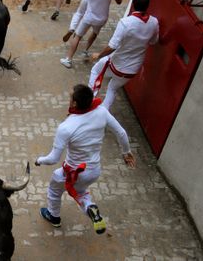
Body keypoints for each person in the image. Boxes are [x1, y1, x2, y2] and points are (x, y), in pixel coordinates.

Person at [36, 84, 135, 234]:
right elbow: (121, 133)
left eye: (70, 97)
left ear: (75, 103)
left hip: (74, 172)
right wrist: (126, 152)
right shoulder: (102, 112)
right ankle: (90, 207)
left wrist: (39, 160)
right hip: (94, 170)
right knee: (80, 191)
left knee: (55, 190)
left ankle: (53, 216)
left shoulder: (66, 127)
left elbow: (53, 158)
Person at [89, 0, 159, 110]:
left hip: (117, 63)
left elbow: (112, 46)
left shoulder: (125, 22)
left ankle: (89, 100)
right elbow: (153, 41)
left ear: (133, 5)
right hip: (132, 69)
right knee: (112, 88)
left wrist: (99, 55)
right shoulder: (154, 22)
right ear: (147, 6)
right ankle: (103, 115)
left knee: (96, 70)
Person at [60, 0, 121, 68]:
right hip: (102, 18)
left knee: (77, 36)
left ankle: (68, 59)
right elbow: (119, 1)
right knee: (94, 33)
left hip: (89, 16)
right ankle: (86, 50)